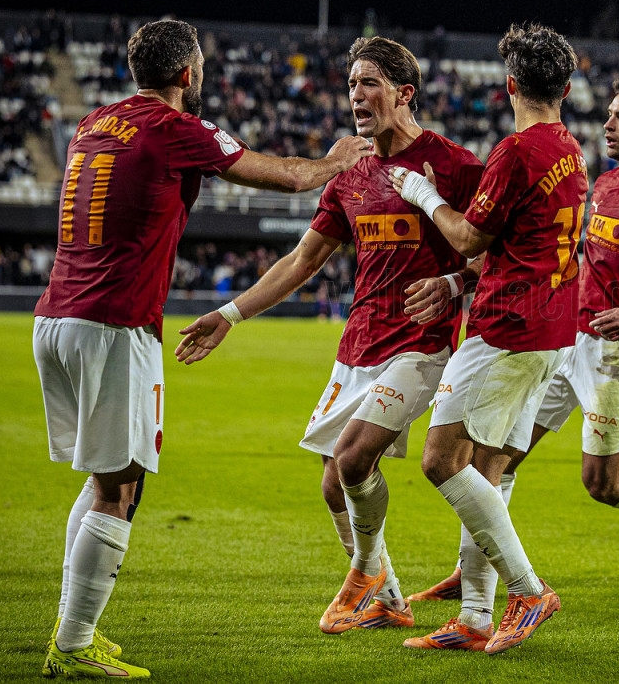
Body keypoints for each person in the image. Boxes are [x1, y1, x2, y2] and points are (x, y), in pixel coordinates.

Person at [33, 18, 373, 679]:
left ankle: (71, 631)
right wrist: (335, 162)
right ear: (188, 72)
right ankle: (72, 644)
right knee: (120, 487)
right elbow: (282, 175)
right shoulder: (175, 128)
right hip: (112, 321)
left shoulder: (97, 121)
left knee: (108, 476)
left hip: (55, 316)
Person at [174, 36, 484, 635]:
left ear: (404, 92)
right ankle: (389, 598)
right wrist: (229, 315)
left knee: (352, 456)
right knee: (333, 485)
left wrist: (453, 283)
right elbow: (301, 261)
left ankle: (367, 574)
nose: (356, 96)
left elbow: (494, 251)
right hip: (359, 342)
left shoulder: (454, 165)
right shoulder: (350, 176)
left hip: (422, 345)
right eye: (351, 85)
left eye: (369, 83)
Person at [407, 75, 619, 623]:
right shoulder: (601, 183)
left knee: (603, 484)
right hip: (564, 337)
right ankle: (479, 568)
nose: (608, 124)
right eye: (608, 114)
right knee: (498, 457)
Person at [388, 22, 587, 654]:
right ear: (565, 85)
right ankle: (475, 617)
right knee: (489, 471)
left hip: (506, 327)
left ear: (509, 86)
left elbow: (471, 237)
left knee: (441, 461)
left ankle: (528, 591)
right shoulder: (572, 149)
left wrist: (420, 191)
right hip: (552, 325)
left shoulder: (519, 151)